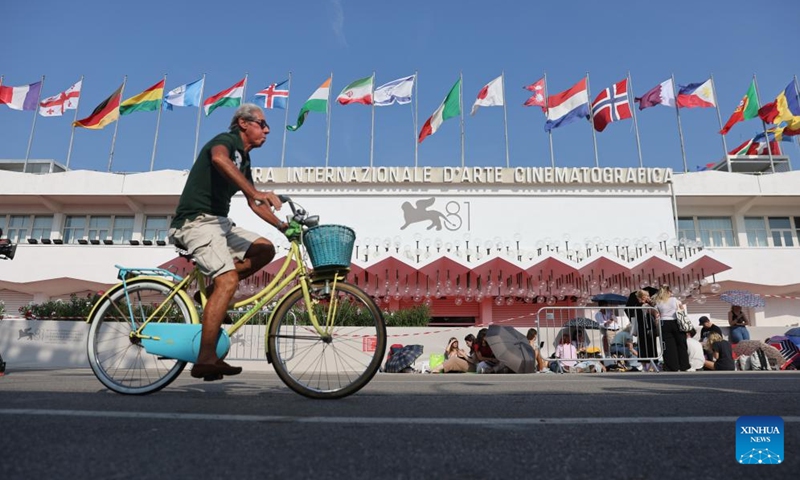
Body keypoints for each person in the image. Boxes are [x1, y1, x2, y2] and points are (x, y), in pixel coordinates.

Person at [168, 104, 286, 381]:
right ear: (244, 123)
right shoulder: (226, 141)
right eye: (262, 123)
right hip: (195, 222)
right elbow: (219, 160)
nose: (267, 130)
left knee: (264, 248)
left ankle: (207, 292)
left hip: (220, 223)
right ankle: (205, 358)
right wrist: (256, 191)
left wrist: (284, 227)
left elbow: (254, 203)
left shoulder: (244, 160)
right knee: (229, 280)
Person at [653, 285, 690, 372]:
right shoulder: (675, 300)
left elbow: (656, 315)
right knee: (681, 344)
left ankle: (672, 366)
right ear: (668, 292)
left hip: (664, 323)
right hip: (676, 322)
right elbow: (681, 310)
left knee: (668, 346)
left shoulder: (658, 301)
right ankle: (684, 365)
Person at [626, 289, 659, 371]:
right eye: (647, 295)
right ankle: (651, 366)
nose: (648, 297)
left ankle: (644, 366)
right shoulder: (646, 306)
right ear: (642, 297)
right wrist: (652, 304)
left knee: (642, 347)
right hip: (648, 328)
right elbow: (655, 313)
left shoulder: (636, 305)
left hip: (641, 329)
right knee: (650, 347)